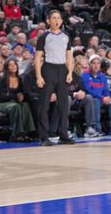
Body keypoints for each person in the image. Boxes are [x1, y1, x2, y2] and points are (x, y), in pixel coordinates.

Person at [34, 10, 75, 146]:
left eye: (58, 18)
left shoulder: (66, 36)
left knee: (63, 105)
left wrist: (69, 73)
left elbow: (69, 56)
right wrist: (39, 76)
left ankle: (63, 134)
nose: (56, 20)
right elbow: (38, 57)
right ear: (48, 21)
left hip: (62, 70)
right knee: (44, 104)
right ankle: (44, 136)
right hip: (48, 69)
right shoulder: (44, 36)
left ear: (62, 21)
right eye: (53, 18)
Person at [0, 58, 35, 141]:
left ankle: (27, 133)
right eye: (10, 65)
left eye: (14, 64)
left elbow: (22, 93)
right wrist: (14, 96)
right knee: (15, 106)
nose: (13, 66)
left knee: (25, 105)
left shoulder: (20, 79)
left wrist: (22, 96)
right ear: (7, 68)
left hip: (14, 102)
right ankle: (16, 134)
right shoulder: (2, 80)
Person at [81, 54, 111, 135]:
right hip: (93, 99)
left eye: (98, 63)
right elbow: (89, 90)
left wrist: (108, 97)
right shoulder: (84, 75)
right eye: (94, 63)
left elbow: (106, 89)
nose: (96, 65)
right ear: (90, 64)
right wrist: (102, 98)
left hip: (102, 99)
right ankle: (97, 128)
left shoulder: (102, 76)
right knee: (95, 101)